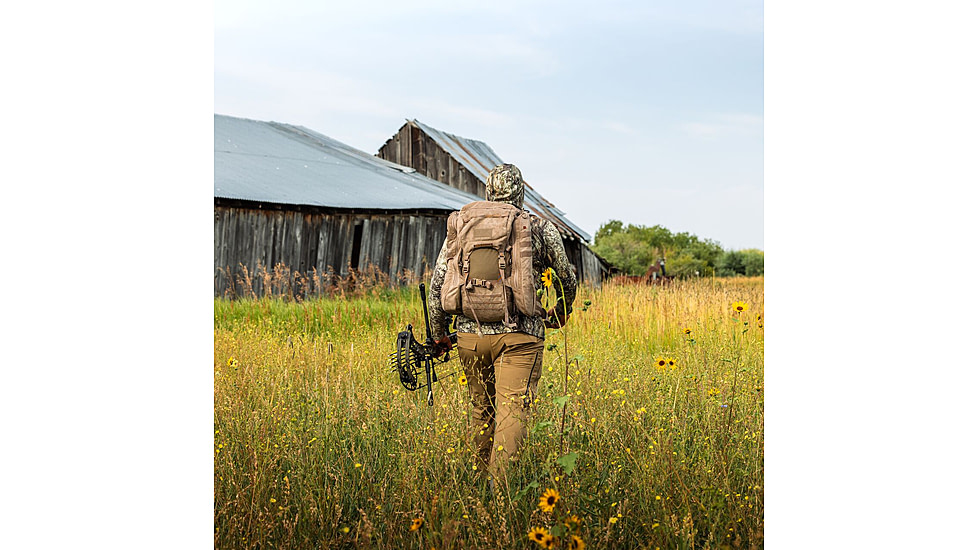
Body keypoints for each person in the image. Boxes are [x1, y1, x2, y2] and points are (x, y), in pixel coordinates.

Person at [427, 163, 577, 485]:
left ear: (488, 190)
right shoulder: (539, 228)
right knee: (513, 413)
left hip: (469, 335)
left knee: (482, 411)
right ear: (520, 192)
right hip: (521, 339)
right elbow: (567, 279)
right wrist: (559, 312)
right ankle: (500, 496)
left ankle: (478, 486)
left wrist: (440, 335)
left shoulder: (461, 226)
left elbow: (437, 288)